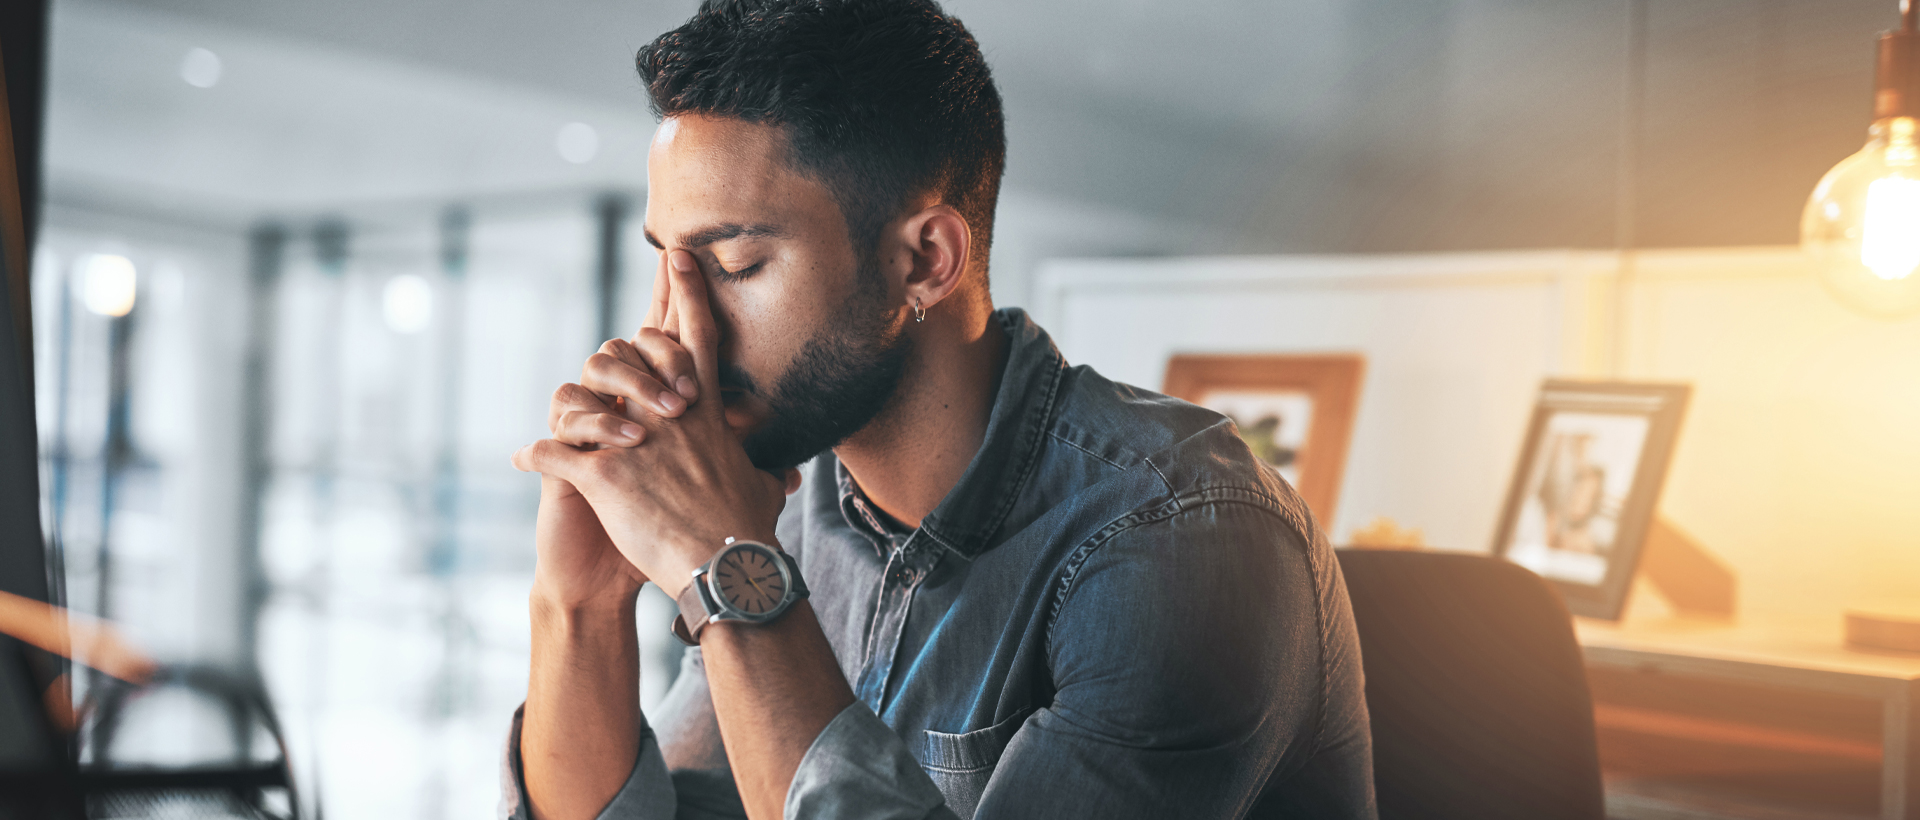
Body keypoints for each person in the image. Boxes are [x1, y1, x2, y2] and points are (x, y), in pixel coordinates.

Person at [500, 1, 1374, 818]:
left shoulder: (1180, 539)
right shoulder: (802, 513)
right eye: (666, 262)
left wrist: (722, 568)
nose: (675, 329)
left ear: (924, 260)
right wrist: (578, 604)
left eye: (732, 268)